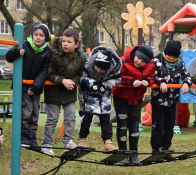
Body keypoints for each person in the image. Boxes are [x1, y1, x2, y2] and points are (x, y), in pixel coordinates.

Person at [5, 24, 52, 150]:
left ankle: (32, 137)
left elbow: (44, 71)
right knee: (26, 111)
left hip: (35, 87)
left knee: (35, 113)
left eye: (41, 35)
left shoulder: (47, 52)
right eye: (36, 34)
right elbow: (8, 57)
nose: (38, 37)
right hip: (22, 86)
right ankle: (23, 135)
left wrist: (36, 86)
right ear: (32, 35)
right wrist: (16, 52)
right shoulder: (24, 45)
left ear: (46, 38)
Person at [41, 28, 86, 156]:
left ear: (76, 44)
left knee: (71, 117)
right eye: (64, 41)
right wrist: (62, 81)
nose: (65, 44)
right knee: (52, 118)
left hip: (69, 93)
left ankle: (68, 142)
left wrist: (72, 81)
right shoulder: (54, 55)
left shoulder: (81, 57)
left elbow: (80, 73)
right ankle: (46, 144)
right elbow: (49, 74)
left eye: (69, 42)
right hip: (53, 92)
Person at [112, 45, 155, 165]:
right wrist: (131, 81)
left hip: (137, 99)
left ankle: (134, 154)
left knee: (135, 127)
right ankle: (123, 153)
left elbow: (152, 77)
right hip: (121, 98)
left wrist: (148, 82)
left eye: (143, 61)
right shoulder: (122, 61)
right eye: (138, 58)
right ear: (135, 54)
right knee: (122, 125)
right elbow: (117, 76)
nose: (139, 62)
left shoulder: (151, 65)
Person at [150, 40, 191, 160]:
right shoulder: (156, 61)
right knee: (158, 126)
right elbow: (152, 75)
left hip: (172, 100)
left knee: (169, 126)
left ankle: (166, 149)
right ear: (165, 52)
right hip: (158, 100)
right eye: (169, 55)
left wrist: (186, 83)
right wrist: (161, 81)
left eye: (174, 56)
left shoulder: (180, 63)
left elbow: (187, 75)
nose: (171, 58)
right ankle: (156, 150)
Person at [77, 47, 121, 153]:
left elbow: (118, 79)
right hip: (89, 94)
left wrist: (106, 85)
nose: (98, 70)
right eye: (97, 67)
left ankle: (108, 143)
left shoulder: (114, 68)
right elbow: (81, 77)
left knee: (106, 118)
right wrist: (91, 83)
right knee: (87, 117)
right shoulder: (88, 64)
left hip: (104, 95)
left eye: (102, 69)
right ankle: (82, 140)